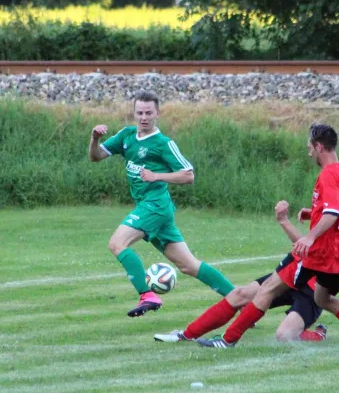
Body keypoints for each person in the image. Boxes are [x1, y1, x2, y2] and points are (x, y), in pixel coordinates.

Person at [155, 122, 339, 345]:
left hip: (315, 275)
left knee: (284, 334)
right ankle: (188, 335)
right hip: (307, 265)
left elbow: (321, 229)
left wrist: (290, 224)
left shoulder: (333, 191)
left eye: (309, 147)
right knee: (241, 295)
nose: (308, 152)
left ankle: (230, 341)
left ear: (318, 146)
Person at [89, 90, 235, 317]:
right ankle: (240, 300)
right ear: (134, 113)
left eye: (148, 112)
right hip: (151, 208)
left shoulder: (163, 143)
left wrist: (158, 176)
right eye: (139, 113)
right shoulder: (126, 136)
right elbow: (96, 156)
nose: (144, 117)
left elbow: (188, 175)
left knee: (117, 243)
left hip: (155, 206)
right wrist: (95, 138)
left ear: (157, 113)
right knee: (189, 266)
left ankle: (147, 295)